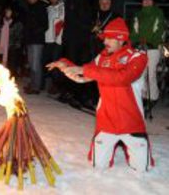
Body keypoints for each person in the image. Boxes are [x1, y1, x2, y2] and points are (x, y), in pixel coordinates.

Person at [47, 17, 154, 172]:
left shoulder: (137, 57)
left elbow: (122, 78)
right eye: (105, 38)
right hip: (106, 123)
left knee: (142, 169)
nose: (105, 42)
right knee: (98, 166)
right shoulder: (101, 57)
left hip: (131, 122)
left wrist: (84, 69)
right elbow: (82, 77)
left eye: (110, 38)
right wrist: (66, 66)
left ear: (121, 38)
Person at [59, 0, 96, 107]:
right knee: (73, 64)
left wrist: (90, 26)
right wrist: (89, 27)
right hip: (74, 39)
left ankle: (79, 94)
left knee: (82, 65)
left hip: (81, 39)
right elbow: (75, 19)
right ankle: (69, 93)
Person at [130, 0, 165, 107]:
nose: (146, 2)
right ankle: (143, 96)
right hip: (139, 47)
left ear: (153, 2)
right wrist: (135, 42)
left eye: (149, 0)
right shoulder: (138, 14)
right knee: (140, 72)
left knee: (150, 73)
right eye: (144, 0)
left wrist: (152, 42)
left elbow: (159, 29)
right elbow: (134, 30)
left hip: (152, 48)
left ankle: (153, 97)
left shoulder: (158, 13)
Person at [23, 0, 48, 94]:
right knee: (31, 63)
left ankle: (36, 87)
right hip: (29, 41)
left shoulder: (41, 8)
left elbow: (45, 25)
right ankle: (33, 85)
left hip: (37, 40)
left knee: (35, 65)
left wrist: (35, 31)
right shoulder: (28, 9)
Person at [44, 0, 65, 94]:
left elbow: (62, 22)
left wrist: (58, 38)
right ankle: (51, 85)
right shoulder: (47, 9)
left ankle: (58, 86)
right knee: (49, 63)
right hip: (48, 40)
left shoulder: (62, 7)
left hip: (58, 40)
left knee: (56, 63)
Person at [0, 7, 23, 76]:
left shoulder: (17, 23)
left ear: (12, 13)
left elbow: (19, 35)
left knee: (12, 65)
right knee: (2, 63)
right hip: (2, 48)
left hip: (12, 46)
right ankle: (4, 78)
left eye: (9, 12)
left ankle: (11, 79)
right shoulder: (1, 23)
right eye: (6, 12)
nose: (7, 13)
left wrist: (17, 45)